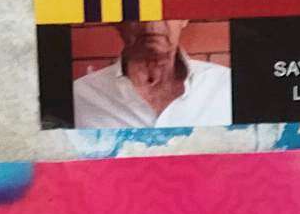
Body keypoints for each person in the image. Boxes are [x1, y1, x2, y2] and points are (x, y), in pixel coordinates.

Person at [71, 20, 231, 132]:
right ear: (117, 22)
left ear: (184, 19)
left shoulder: (225, 85)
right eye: (138, 11)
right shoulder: (79, 96)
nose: (152, 24)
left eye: (166, 10)